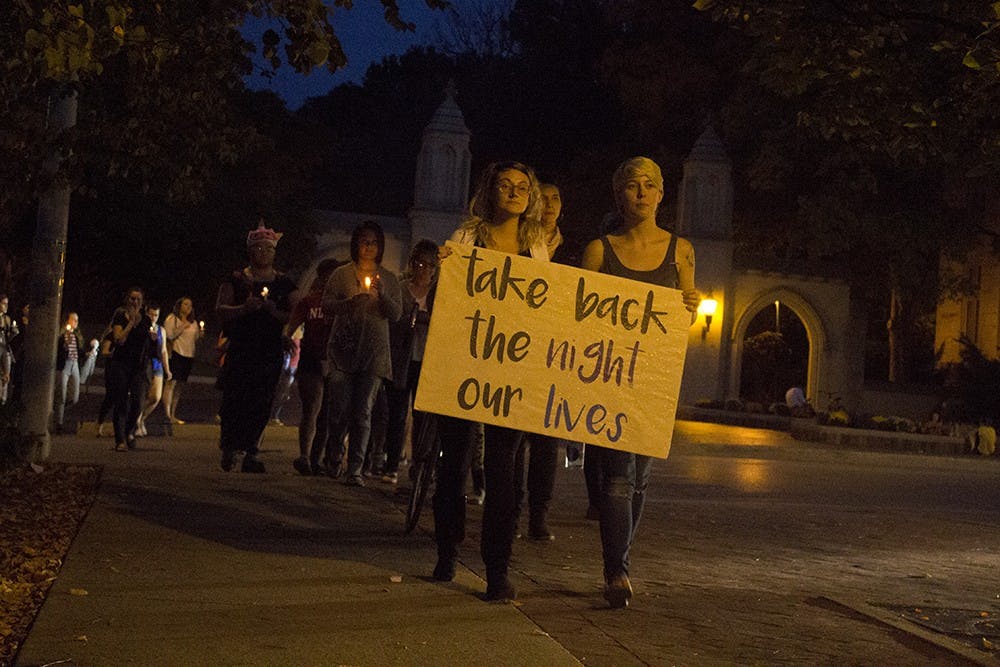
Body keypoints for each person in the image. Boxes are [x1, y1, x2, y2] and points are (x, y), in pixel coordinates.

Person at [581, 156, 700, 608]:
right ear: (619, 194)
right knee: (617, 476)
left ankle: (620, 562)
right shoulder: (599, 251)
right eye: (633, 185)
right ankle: (617, 572)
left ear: (663, 194)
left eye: (651, 185)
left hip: (655, 380)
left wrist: (689, 303)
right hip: (610, 377)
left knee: (639, 481)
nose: (642, 193)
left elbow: (683, 316)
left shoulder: (682, 251)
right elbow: (576, 312)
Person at [432, 161, 549, 601]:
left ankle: (497, 568)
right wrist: (448, 266)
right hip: (464, 361)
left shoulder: (535, 244)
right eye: (505, 184)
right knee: (454, 464)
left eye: (523, 186)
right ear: (490, 190)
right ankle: (447, 549)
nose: (514, 192)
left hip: (511, 368)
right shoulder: (467, 235)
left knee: (503, 471)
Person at [322, 220, 402, 486]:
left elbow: (397, 314)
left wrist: (382, 298)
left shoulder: (388, 279)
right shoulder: (341, 274)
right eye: (364, 241)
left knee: (363, 412)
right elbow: (327, 304)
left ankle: (355, 468)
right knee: (339, 408)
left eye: (374, 242)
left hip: (374, 353)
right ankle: (334, 455)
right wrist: (348, 303)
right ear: (356, 243)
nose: (369, 247)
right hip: (343, 350)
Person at [215, 222, 297, 473]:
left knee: (262, 400)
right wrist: (242, 309)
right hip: (241, 348)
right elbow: (220, 309)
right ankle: (230, 446)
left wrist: (277, 315)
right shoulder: (237, 279)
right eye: (258, 248)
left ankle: (252, 450)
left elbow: (294, 312)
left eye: (268, 248)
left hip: (268, 349)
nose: (263, 252)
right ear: (250, 251)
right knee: (235, 398)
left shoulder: (284, 283)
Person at [382, 239, 439, 485]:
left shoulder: (439, 292)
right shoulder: (401, 288)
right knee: (396, 413)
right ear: (412, 264)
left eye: (429, 265)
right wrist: (411, 319)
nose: (424, 269)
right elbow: (394, 317)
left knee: (422, 416)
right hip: (402, 357)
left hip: (426, 360)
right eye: (419, 263)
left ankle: (419, 465)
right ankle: (391, 464)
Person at [287, 257, 342, 476]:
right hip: (311, 359)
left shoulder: (341, 303)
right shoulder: (309, 302)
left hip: (334, 361)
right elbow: (294, 322)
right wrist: (287, 336)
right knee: (313, 407)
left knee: (327, 415)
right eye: (327, 275)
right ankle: (304, 455)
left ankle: (316, 459)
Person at [108, 288, 157, 451]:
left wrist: (153, 340)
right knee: (121, 402)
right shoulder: (120, 316)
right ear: (127, 300)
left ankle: (129, 431)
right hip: (121, 364)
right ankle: (120, 439)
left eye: (138, 299)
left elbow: (150, 347)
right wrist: (130, 323)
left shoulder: (146, 321)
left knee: (138, 402)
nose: (135, 302)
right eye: (132, 298)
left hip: (139, 367)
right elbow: (119, 340)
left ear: (142, 302)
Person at [54, 312, 98, 433]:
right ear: (67, 321)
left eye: (77, 320)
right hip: (64, 365)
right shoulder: (61, 335)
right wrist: (64, 346)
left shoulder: (76, 336)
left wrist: (88, 354)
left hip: (74, 364)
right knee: (61, 394)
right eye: (73, 320)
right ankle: (59, 423)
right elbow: (58, 350)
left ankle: (58, 410)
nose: (75, 322)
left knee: (74, 396)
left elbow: (79, 351)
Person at [162, 297, 203, 425]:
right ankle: (167, 414)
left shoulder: (193, 322)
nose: (188, 307)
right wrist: (182, 327)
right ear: (179, 306)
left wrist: (200, 334)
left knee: (180, 386)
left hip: (188, 355)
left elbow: (194, 338)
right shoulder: (172, 319)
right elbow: (169, 335)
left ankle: (173, 413)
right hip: (176, 353)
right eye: (185, 304)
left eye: (190, 305)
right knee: (171, 384)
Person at [135, 303, 172, 437]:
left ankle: (141, 418)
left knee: (156, 397)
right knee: (142, 395)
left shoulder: (161, 330)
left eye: (156, 315)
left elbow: (163, 351)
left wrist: (167, 369)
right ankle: (137, 421)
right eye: (151, 314)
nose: (153, 317)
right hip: (144, 365)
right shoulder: (142, 328)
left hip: (156, 365)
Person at [0, 294, 20, 406]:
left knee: (7, 373)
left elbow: (8, 338)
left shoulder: (7, 319)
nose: (6, 306)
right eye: (3, 303)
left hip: (5, 347)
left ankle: (4, 398)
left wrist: (13, 333)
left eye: (7, 304)